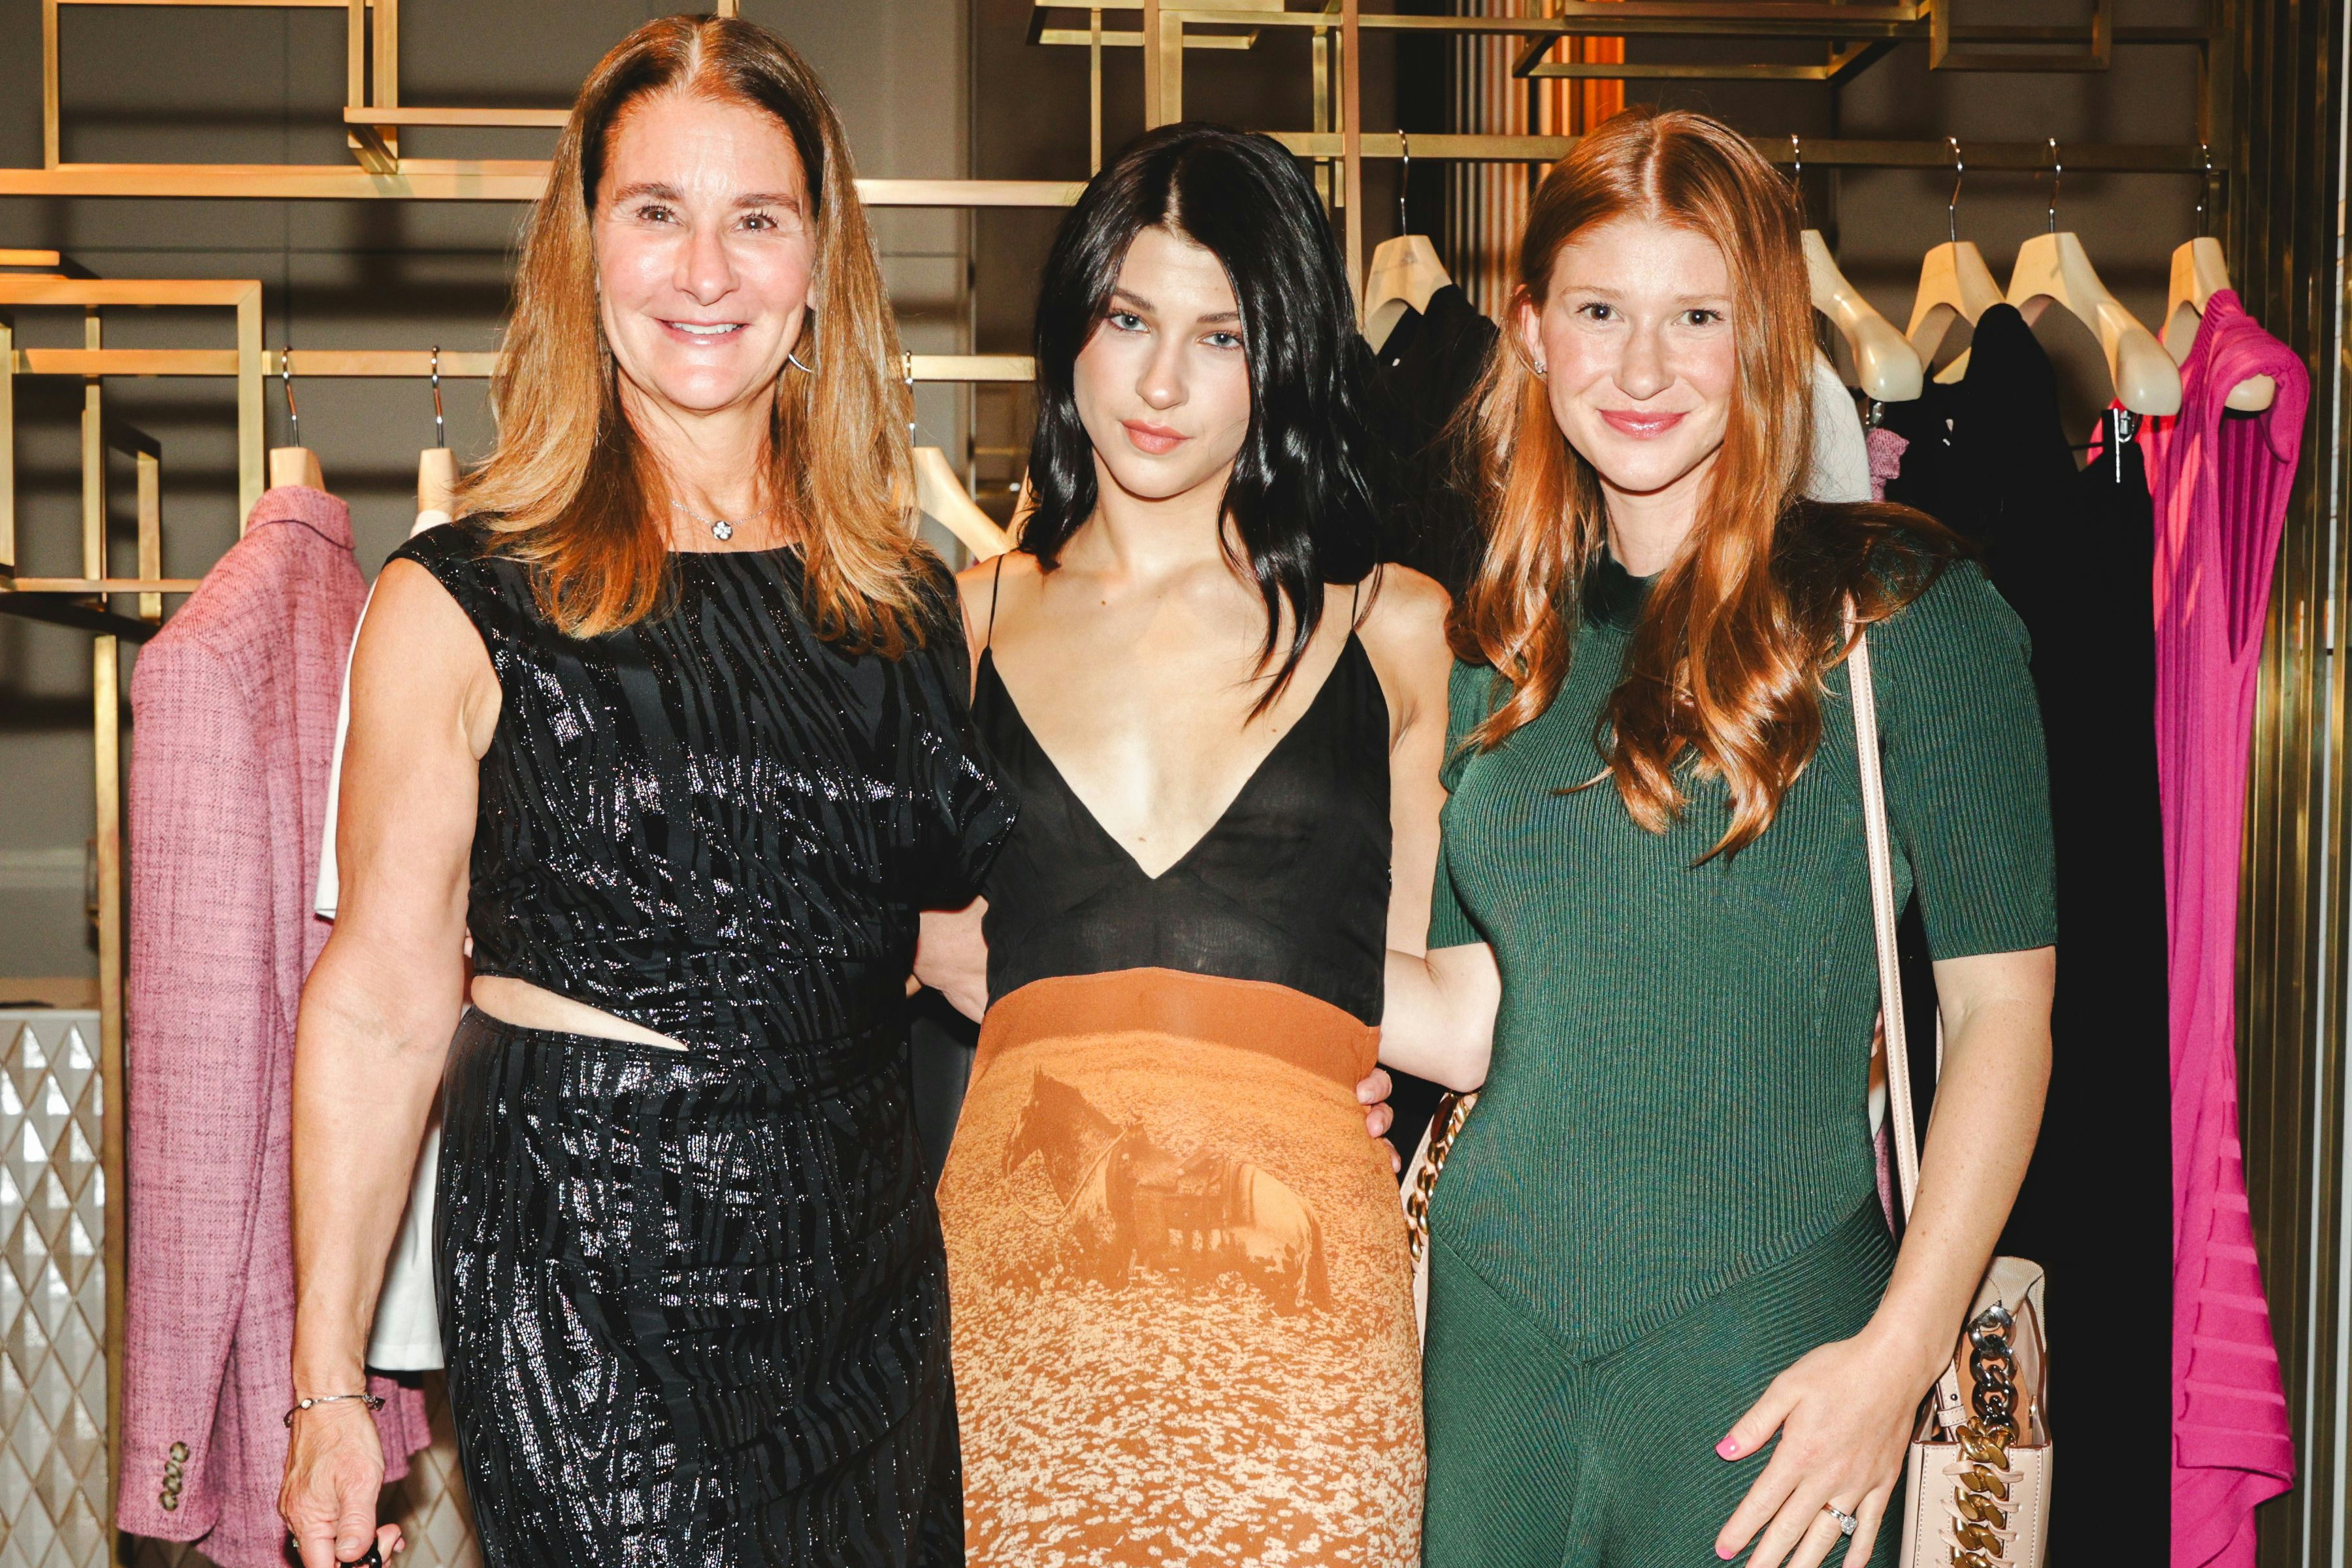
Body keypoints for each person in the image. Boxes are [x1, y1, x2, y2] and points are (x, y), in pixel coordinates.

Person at [277, 18, 1009, 1568]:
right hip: (586, 1272)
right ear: (586, 248)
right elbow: (382, 1001)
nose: (707, 272)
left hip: (864, 1268)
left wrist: (1266, 1040)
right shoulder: (460, 597)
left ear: (819, 265)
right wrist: (326, 1383)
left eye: (759, 220)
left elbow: (959, 947)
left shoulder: (906, 602)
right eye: (657, 213)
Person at [1380, 108, 2056, 1568]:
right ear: (1531, 331)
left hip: (1771, 1363)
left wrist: (1899, 1359)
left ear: (1765, 336)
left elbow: (2003, 1019)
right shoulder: (1505, 641)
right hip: (1489, 1362)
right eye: (1599, 312)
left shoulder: (1904, 613)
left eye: (1696, 316)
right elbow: (1468, 1013)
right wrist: (1195, 940)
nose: (1641, 369)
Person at [921, 123, 1451, 1566]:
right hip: (1017, 1315)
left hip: (1305, 1338)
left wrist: (1333, 1069)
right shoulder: (956, 629)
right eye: (1128, 320)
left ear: (1284, 358)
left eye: (1220, 337)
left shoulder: (1395, 629)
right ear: (1071, 329)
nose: (1161, 384)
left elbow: (1436, 991)